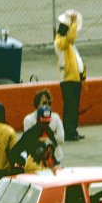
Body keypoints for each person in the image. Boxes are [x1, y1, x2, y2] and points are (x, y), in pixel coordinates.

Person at [54, 10, 85, 141]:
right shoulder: (60, 42)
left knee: (74, 105)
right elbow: (71, 37)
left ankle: (73, 130)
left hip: (74, 78)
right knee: (70, 106)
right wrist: (73, 24)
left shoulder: (69, 45)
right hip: (68, 78)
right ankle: (69, 131)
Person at [9, 105, 58, 169]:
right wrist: (25, 165)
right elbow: (14, 153)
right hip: (34, 169)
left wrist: (56, 164)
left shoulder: (50, 133)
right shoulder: (30, 134)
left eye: (47, 122)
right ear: (38, 119)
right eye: (43, 122)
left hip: (48, 169)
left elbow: (51, 154)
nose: (46, 125)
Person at [23, 89, 64, 163]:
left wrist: (42, 139)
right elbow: (28, 141)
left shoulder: (56, 118)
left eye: (49, 103)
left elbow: (61, 139)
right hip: (35, 158)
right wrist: (51, 138)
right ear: (37, 104)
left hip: (55, 158)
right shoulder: (28, 119)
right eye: (44, 103)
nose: (47, 106)